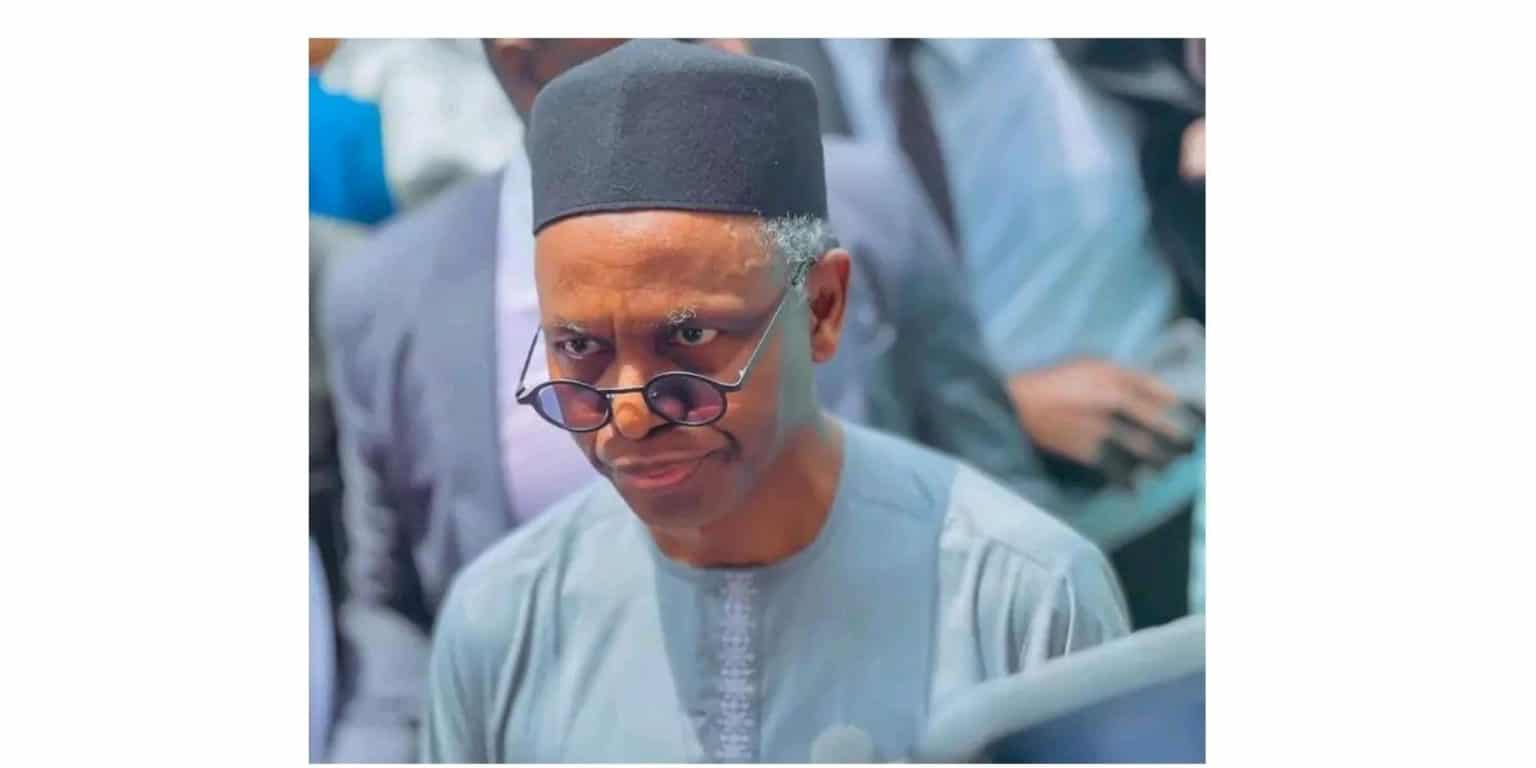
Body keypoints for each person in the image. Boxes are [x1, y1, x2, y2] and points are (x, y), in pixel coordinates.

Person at [320, 39, 1055, 762]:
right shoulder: (498, 620)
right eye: (579, 348)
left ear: (822, 309)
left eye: (692, 337)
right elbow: (390, 609)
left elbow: (985, 451)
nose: (629, 413)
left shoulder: (1019, 592)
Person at [808, 39, 1205, 626]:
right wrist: (1000, 406)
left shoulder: (1108, 42)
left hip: (1166, 504)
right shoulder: (769, 72)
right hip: (949, 569)